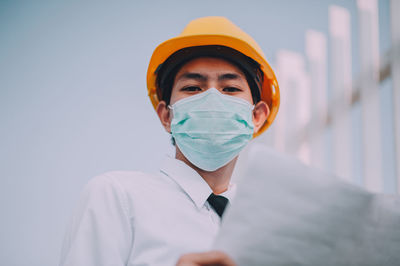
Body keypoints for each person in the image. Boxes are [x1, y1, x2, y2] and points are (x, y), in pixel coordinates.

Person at [59, 16, 280, 266]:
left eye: (230, 89)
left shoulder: (269, 228)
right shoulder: (117, 197)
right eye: (193, 88)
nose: (211, 99)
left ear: (257, 116)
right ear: (166, 115)